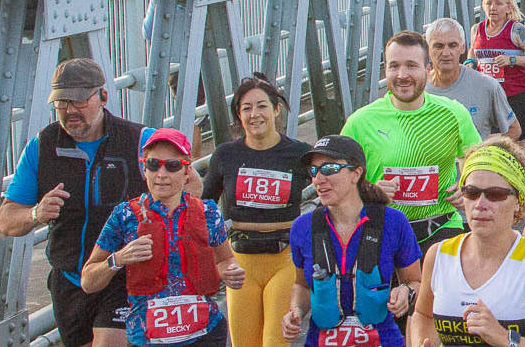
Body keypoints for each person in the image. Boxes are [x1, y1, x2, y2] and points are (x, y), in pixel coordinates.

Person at [0, 58, 154, 347]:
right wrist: (36, 213)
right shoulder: (42, 146)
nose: (70, 110)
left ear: (103, 97)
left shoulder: (139, 140)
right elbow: (7, 219)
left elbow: (190, 181)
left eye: (80, 100)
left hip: (123, 276)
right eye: (62, 102)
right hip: (70, 280)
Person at [409, 138, 525, 347]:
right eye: (472, 193)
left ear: (519, 202)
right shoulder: (439, 255)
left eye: (496, 195)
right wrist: (421, 342)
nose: (480, 205)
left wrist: (505, 339)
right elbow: (422, 314)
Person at [81, 129, 243, 347]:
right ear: (144, 169)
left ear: (187, 171)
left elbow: (225, 260)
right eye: (154, 165)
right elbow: (88, 282)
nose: (162, 173)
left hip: (204, 334)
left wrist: (232, 272)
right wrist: (117, 259)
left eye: (173, 166)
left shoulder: (208, 212)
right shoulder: (124, 215)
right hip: (147, 339)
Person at [341, 31, 484, 250]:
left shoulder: (453, 112)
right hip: (380, 231)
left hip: (439, 227)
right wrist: (370, 191)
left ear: (428, 70)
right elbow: (337, 180)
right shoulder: (360, 122)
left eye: (411, 65)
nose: (402, 74)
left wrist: (466, 183)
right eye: (394, 66)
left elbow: (477, 160)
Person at [282, 135, 425, 347]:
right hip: (320, 340)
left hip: (381, 339)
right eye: (314, 171)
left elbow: (416, 281)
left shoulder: (393, 221)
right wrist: (296, 311)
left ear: (356, 173)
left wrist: (406, 291)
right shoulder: (302, 227)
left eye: (329, 169)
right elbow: (301, 285)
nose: (318, 179)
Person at [202, 76, 311, 347]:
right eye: (246, 108)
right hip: (241, 260)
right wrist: (219, 260)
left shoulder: (299, 153)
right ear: (238, 116)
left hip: (285, 258)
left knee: (275, 342)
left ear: (276, 110)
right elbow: (205, 209)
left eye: (262, 106)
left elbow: (332, 188)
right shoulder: (225, 155)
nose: (255, 115)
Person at [426, 18, 521, 140]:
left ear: (462, 48)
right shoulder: (418, 89)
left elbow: (514, 131)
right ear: (429, 49)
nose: (446, 53)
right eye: (438, 46)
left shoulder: (486, 86)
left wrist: (479, 149)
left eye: (452, 45)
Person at [470, 0, 525, 138]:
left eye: (498, 3)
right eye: (488, 3)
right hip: (488, 99)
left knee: (516, 149)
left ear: (509, 7)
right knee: (489, 146)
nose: (493, 8)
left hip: (516, 98)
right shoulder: (477, 29)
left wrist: (511, 60)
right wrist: (469, 63)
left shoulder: (517, 30)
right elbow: (473, 51)